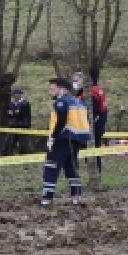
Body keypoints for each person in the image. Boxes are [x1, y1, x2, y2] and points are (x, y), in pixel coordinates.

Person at [41, 77, 93, 207]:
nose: (51, 92)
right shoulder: (78, 102)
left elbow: (61, 121)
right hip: (77, 139)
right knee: (71, 167)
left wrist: (53, 137)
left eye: (53, 89)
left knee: (51, 167)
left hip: (63, 138)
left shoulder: (61, 102)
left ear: (61, 89)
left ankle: (47, 199)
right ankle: (76, 196)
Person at [2, 88, 32, 156]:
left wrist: (14, 113)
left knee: (23, 144)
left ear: (18, 95)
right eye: (12, 95)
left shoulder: (25, 104)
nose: (12, 96)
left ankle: (24, 158)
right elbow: (9, 114)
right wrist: (14, 113)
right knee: (9, 143)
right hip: (12, 125)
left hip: (23, 126)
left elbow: (21, 114)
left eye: (13, 95)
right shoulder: (11, 104)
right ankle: (6, 157)